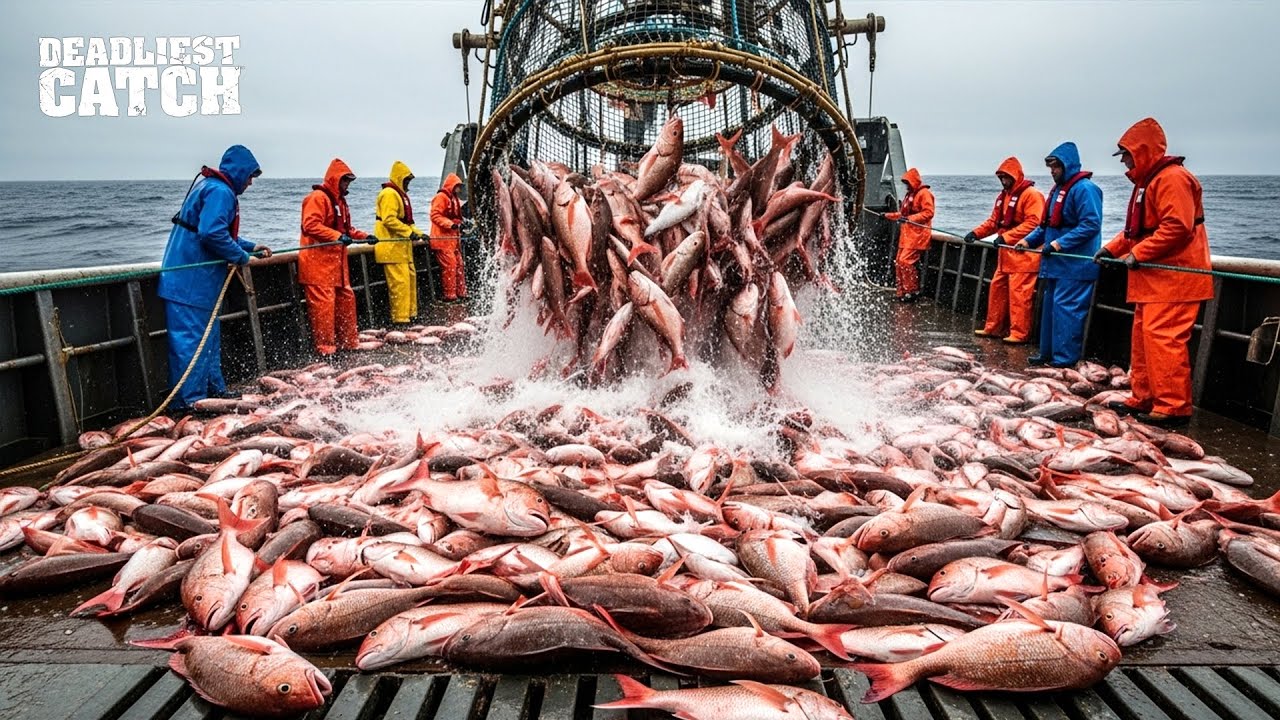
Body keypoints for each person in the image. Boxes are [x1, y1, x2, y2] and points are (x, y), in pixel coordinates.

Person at [1095, 118, 1213, 428]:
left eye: (1126, 154)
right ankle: (1144, 396)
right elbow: (1135, 231)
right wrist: (1111, 249)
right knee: (1144, 341)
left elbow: (1177, 227)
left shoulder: (1172, 179)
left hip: (1175, 278)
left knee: (1164, 341)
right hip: (1152, 282)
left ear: (1142, 151)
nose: (1123, 161)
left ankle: (1173, 406)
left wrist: (1138, 254)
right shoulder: (1146, 183)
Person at [158, 145, 271, 412]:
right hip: (190, 282)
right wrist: (242, 257)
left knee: (208, 340)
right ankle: (190, 404)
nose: (251, 182)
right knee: (191, 343)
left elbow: (217, 232)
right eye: (251, 176)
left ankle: (213, 393)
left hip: (197, 282)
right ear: (241, 172)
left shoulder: (210, 187)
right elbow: (211, 234)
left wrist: (250, 246)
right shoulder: (221, 192)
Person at [1016, 142, 1102, 367]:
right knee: (1051, 309)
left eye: (1055, 167)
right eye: (1050, 167)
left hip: (1075, 266)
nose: (1052, 171)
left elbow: (1090, 224)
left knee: (1067, 311)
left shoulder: (1084, 189)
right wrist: (1027, 240)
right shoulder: (1057, 191)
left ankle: (1064, 360)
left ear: (1067, 166)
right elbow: (1046, 225)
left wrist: (1057, 245)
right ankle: (1047, 354)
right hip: (1055, 265)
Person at [298, 158, 376, 356]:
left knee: (346, 301)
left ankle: (348, 343)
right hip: (317, 266)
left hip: (337, 267)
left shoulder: (340, 202)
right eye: (344, 181)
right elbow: (310, 225)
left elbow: (346, 230)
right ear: (335, 179)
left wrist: (365, 236)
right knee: (323, 308)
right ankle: (326, 350)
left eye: (349, 182)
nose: (347, 185)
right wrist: (337, 236)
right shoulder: (318, 198)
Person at [964, 157, 1046, 344]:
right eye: (1000, 177)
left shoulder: (1032, 195)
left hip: (1024, 256)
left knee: (1019, 296)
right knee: (997, 289)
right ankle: (994, 328)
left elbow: (1035, 223)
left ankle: (1019, 333)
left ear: (1014, 176)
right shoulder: (1003, 197)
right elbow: (994, 222)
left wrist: (1006, 238)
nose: (1003, 181)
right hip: (1006, 256)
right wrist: (976, 233)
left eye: (1005, 177)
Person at [374, 160, 426, 325]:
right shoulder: (389, 194)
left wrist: (420, 234)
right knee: (400, 284)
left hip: (402, 249)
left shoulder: (400, 195)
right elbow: (389, 219)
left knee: (409, 279)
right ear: (399, 179)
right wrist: (408, 233)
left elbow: (408, 222)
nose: (408, 184)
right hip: (391, 249)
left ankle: (411, 314)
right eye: (407, 180)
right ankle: (400, 319)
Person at [883, 168, 934, 303]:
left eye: (907, 183)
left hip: (917, 236)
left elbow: (928, 213)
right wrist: (888, 215)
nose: (906, 186)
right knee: (899, 262)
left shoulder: (924, 194)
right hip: (907, 236)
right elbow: (903, 215)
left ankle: (912, 291)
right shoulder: (910, 195)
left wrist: (910, 219)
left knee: (906, 262)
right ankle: (902, 291)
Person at [429, 172, 470, 303]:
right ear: (453, 186)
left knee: (459, 266)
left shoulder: (453, 198)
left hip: (452, 241)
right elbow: (435, 215)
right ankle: (450, 296)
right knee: (450, 266)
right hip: (442, 241)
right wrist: (451, 225)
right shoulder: (441, 197)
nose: (459, 189)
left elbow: (455, 217)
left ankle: (461, 293)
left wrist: (462, 224)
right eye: (458, 186)